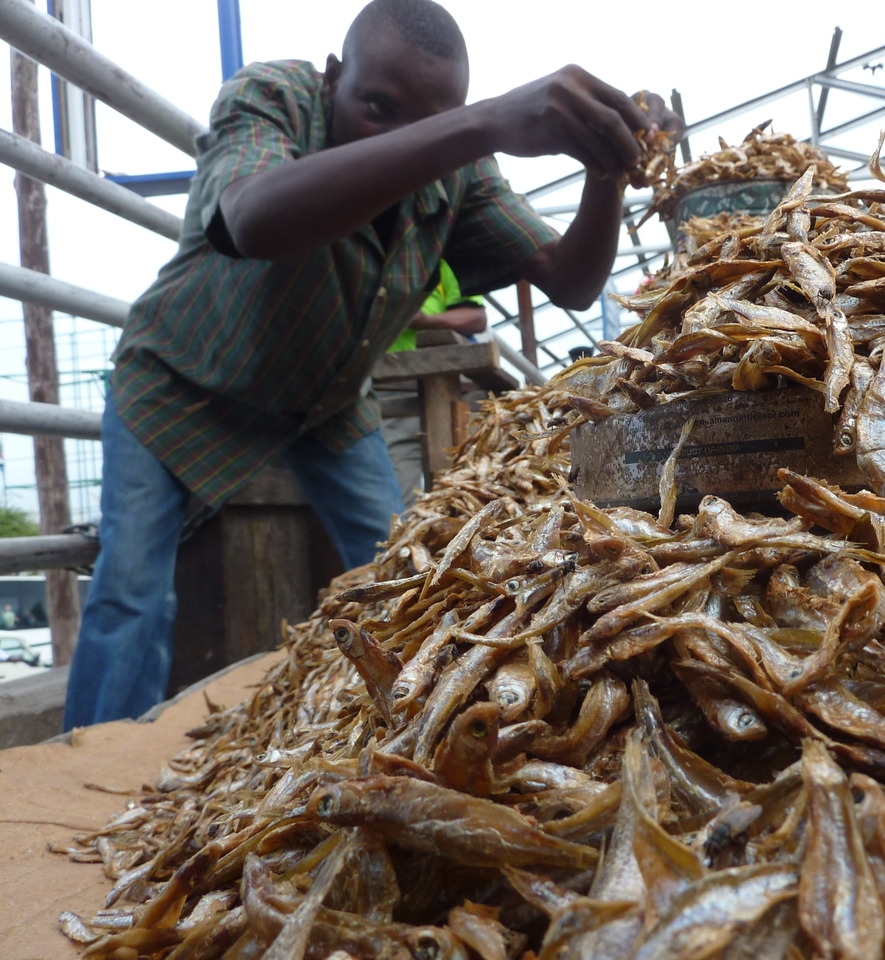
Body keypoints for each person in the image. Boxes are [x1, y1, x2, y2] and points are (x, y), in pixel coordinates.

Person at [63, 0, 681, 729]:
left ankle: (423, 732)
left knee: (409, 571)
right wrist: (477, 123)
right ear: (333, 79)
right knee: (132, 593)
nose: (398, 134)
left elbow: (569, 279)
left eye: (426, 122)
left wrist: (608, 171)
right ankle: (90, 772)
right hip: (178, 381)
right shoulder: (274, 98)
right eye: (375, 107)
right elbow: (252, 218)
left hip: (324, 403)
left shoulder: (461, 174)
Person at [382, 259, 487, 507]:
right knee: (396, 495)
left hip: (446, 388)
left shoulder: (444, 262)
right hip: (389, 389)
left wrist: (423, 320)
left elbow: (476, 318)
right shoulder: (370, 263)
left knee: (458, 486)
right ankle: (403, 540)